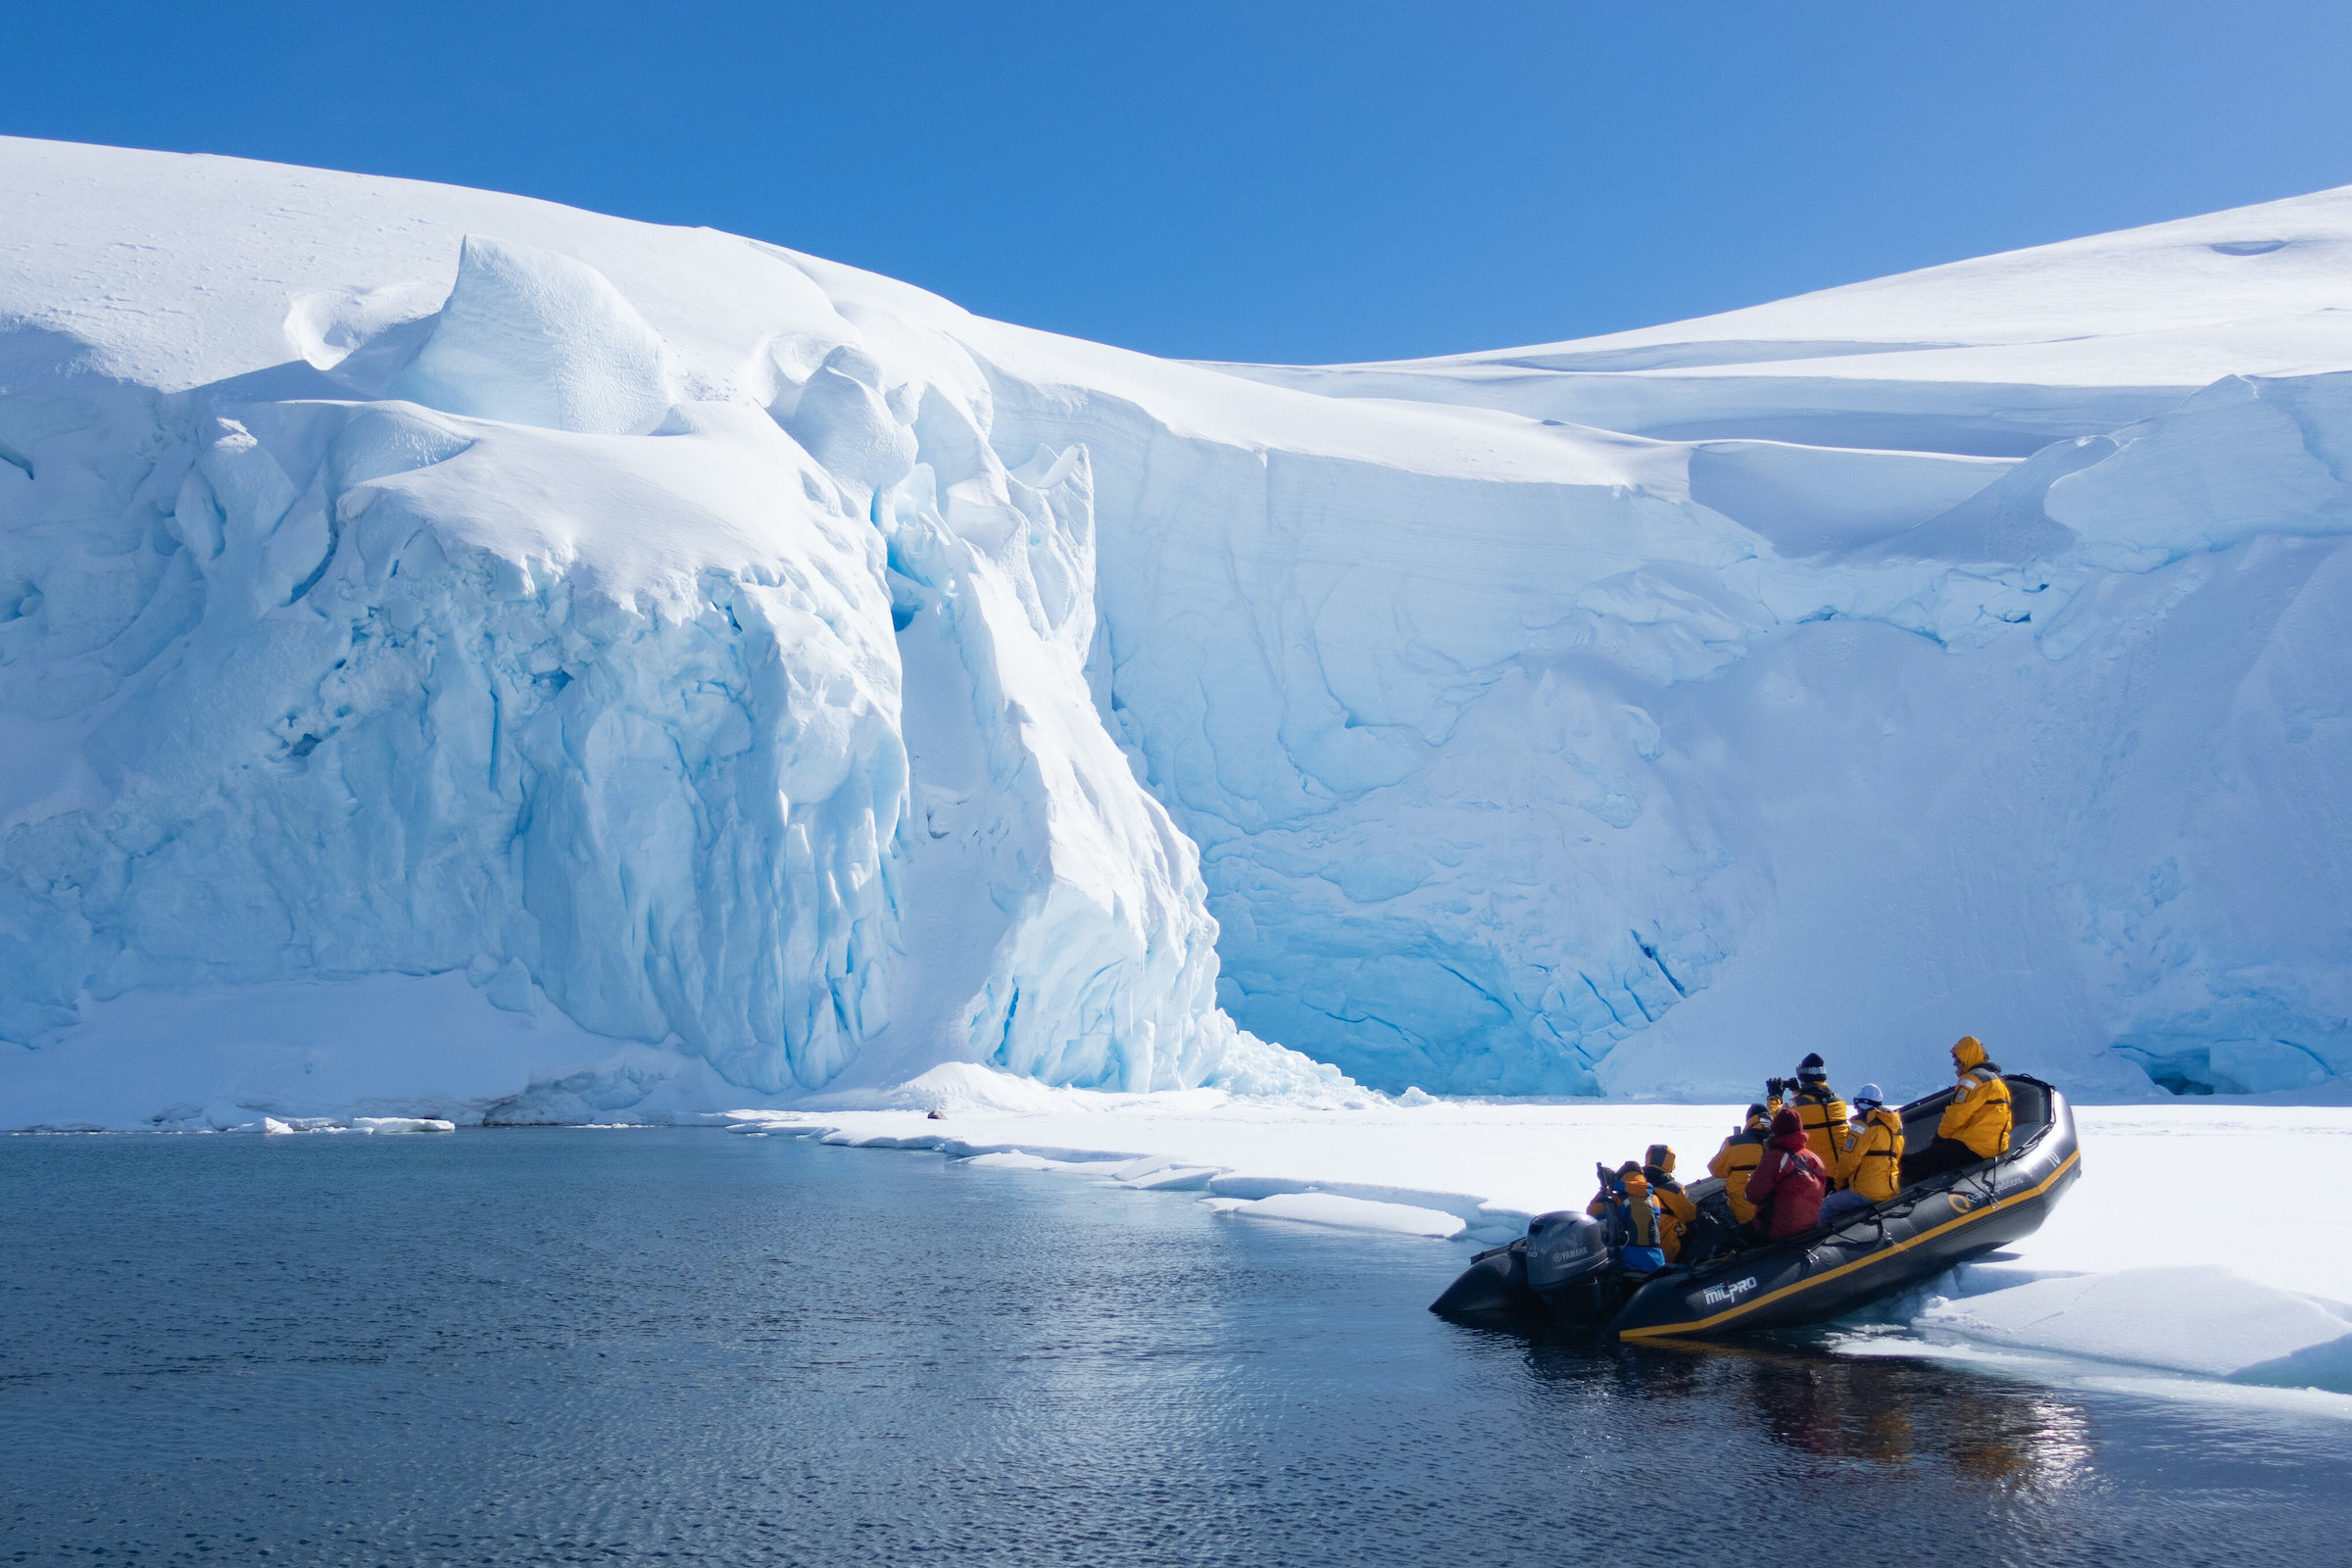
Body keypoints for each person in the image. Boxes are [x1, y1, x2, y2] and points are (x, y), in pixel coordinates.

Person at [1903, 1036, 2013, 1185]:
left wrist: (1939, 1138)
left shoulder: (1972, 1080)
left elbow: (1956, 1116)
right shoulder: (1994, 1079)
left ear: (1967, 1057)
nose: (1955, 1063)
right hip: (1994, 1145)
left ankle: (1901, 1197)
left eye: (1958, 1059)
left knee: (1918, 1162)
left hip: (1975, 1146)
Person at [1820, 1082, 1903, 1224]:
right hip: (1890, 1190)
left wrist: (1838, 1185)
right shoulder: (1894, 1129)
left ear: (1858, 1104)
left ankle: (1810, 1241)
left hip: (1866, 1193)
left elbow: (1848, 1161)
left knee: (1826, 1205)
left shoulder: (1861, 1127)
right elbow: (1897, 1156)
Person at [1744, 1107, 1828, 1242]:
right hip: (1809, 1228)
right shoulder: (1814, 1159)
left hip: (1777, 1231)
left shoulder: (1774, 1157)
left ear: (1776, 1129)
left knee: (1734, 1237)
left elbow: (1753, 1195)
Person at [1772, 1053, 1849, 1170]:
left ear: (1803, 1077)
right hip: (1842, 1170)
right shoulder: (1839, 1102)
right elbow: (1816, 1105)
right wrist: (1798, 1091)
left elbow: (1777, 1120)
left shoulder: (1797, 1105)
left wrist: (1774, 1097)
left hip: (1817, 1174)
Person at [1707, 1102, 1771, 1229]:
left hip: (1744, 1217)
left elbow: (1715, 1170)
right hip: (1779, 1215)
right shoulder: (1782, 1140)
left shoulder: (1734, 1142)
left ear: (1749, 1120)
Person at [1642, 1144, 1700, 1263]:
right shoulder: (1672, 1188)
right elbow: (1689, 1215)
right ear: (1670, 1161)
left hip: (1644, 1249)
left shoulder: (1636, 1184)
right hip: (1669, 1248)